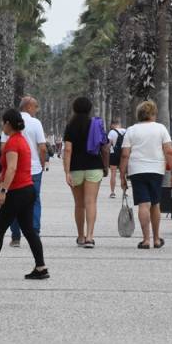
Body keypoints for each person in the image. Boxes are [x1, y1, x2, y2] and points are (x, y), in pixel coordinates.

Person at [0, 109, 49, 279]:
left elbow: (12, 168)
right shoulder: (21, 141)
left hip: (17, 192)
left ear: (7, 123)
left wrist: (3, 191)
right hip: (28, 190)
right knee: (29, 230)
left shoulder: (13, 143)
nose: (2, 126)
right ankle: (41, 267)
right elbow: (7, 170)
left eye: (3, 123)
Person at [119, 100, 172, 249]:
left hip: (137, 170)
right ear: (153, 113)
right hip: (156, 170)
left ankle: (145, 239)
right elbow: (169, 151)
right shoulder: (161, 129)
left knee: (143, 204)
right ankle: (157, 239)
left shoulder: (131, 130)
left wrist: (122, 176)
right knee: (155, 204)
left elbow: (125, 155)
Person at [63, 96, 109, 248]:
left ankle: (81, 236)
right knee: (91, 202)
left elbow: (68, 150)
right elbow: (104, 147)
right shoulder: (96, 124)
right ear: (90, 108)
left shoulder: (70, 126)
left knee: (79, 204)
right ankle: (90, 236)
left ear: (74, 108)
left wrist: (67, 171)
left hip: (76, 168)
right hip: (94, 166)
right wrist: (106, 166)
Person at [9, 96, 47, 248]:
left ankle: (16, 236)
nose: (36, 111)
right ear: (29, 107)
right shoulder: (36, 123)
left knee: (13, 201)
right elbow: (42, 147)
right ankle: (34, 232)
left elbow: (4, 145)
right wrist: (42, 163)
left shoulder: (11, 121)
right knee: (35, 200)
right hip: (34, 168)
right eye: (35, 107)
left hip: (15, 168)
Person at [108, 120, 126, 198]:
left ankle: (112, 192)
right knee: (123, 174)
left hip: (113, 154)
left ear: (112, 125)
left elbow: (108, 145)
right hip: (123, 155)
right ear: (119, 124)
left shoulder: (111, 132)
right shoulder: (125, 131)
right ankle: (124, 192)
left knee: (113, 174)